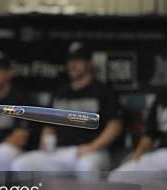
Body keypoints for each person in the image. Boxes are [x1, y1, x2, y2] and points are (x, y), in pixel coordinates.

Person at [11, 42, 122, 180]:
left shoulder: (103, 91)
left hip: (92, 151)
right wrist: (46, 139)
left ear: (89, 63)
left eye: (78, 60)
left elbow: (115, 126)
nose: (72, 64)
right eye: (70, 60)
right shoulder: (60, 92)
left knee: (86, 166)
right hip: (60, 152)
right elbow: (49, 124)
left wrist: (92, 147)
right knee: (21, 164)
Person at [108, 91, 167, 183]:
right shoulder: (163, 95)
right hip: (164, 154)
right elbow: (150, 134)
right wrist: (137, 153)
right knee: (117, 177)